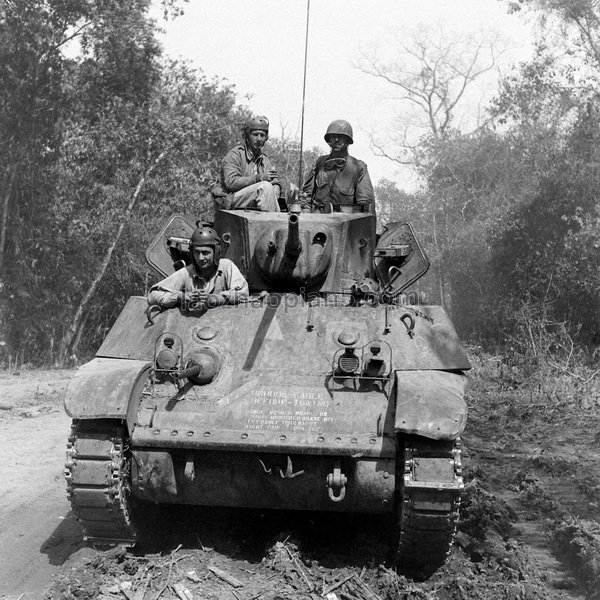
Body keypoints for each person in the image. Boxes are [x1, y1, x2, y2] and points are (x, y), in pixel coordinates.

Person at [147, 224, 249, 311]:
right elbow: (153, 295)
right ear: (192, 253)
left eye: (205, 253)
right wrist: (180, 297)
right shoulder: (187, 272)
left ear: (216, 253)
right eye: (197, 252)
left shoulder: (227, 267)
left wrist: (217, 298)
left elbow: (243, 293)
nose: (200, 258)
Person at [301, 119, 375, 213]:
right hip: (317, 220)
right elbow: (306, 197)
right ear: (329, 140)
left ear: (348, 140)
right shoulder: (319, 164)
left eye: (340, 137)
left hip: (345, 223)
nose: (336, 140)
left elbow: (366, 205)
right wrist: (305, 210)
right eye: (333, 137)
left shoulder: (358, 168)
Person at [210, 115, 282, 212]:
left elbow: (273, 179)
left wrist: (276, 186)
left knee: (274, 190)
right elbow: (230, 183)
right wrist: (259, 178)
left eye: (262, 135)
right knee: (265, 187)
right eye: (255, 135)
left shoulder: (264, 160)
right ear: (247, 136)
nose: (259, 139)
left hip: (251, 201)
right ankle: (273, 225)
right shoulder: (235, 154)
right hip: (230, 200)